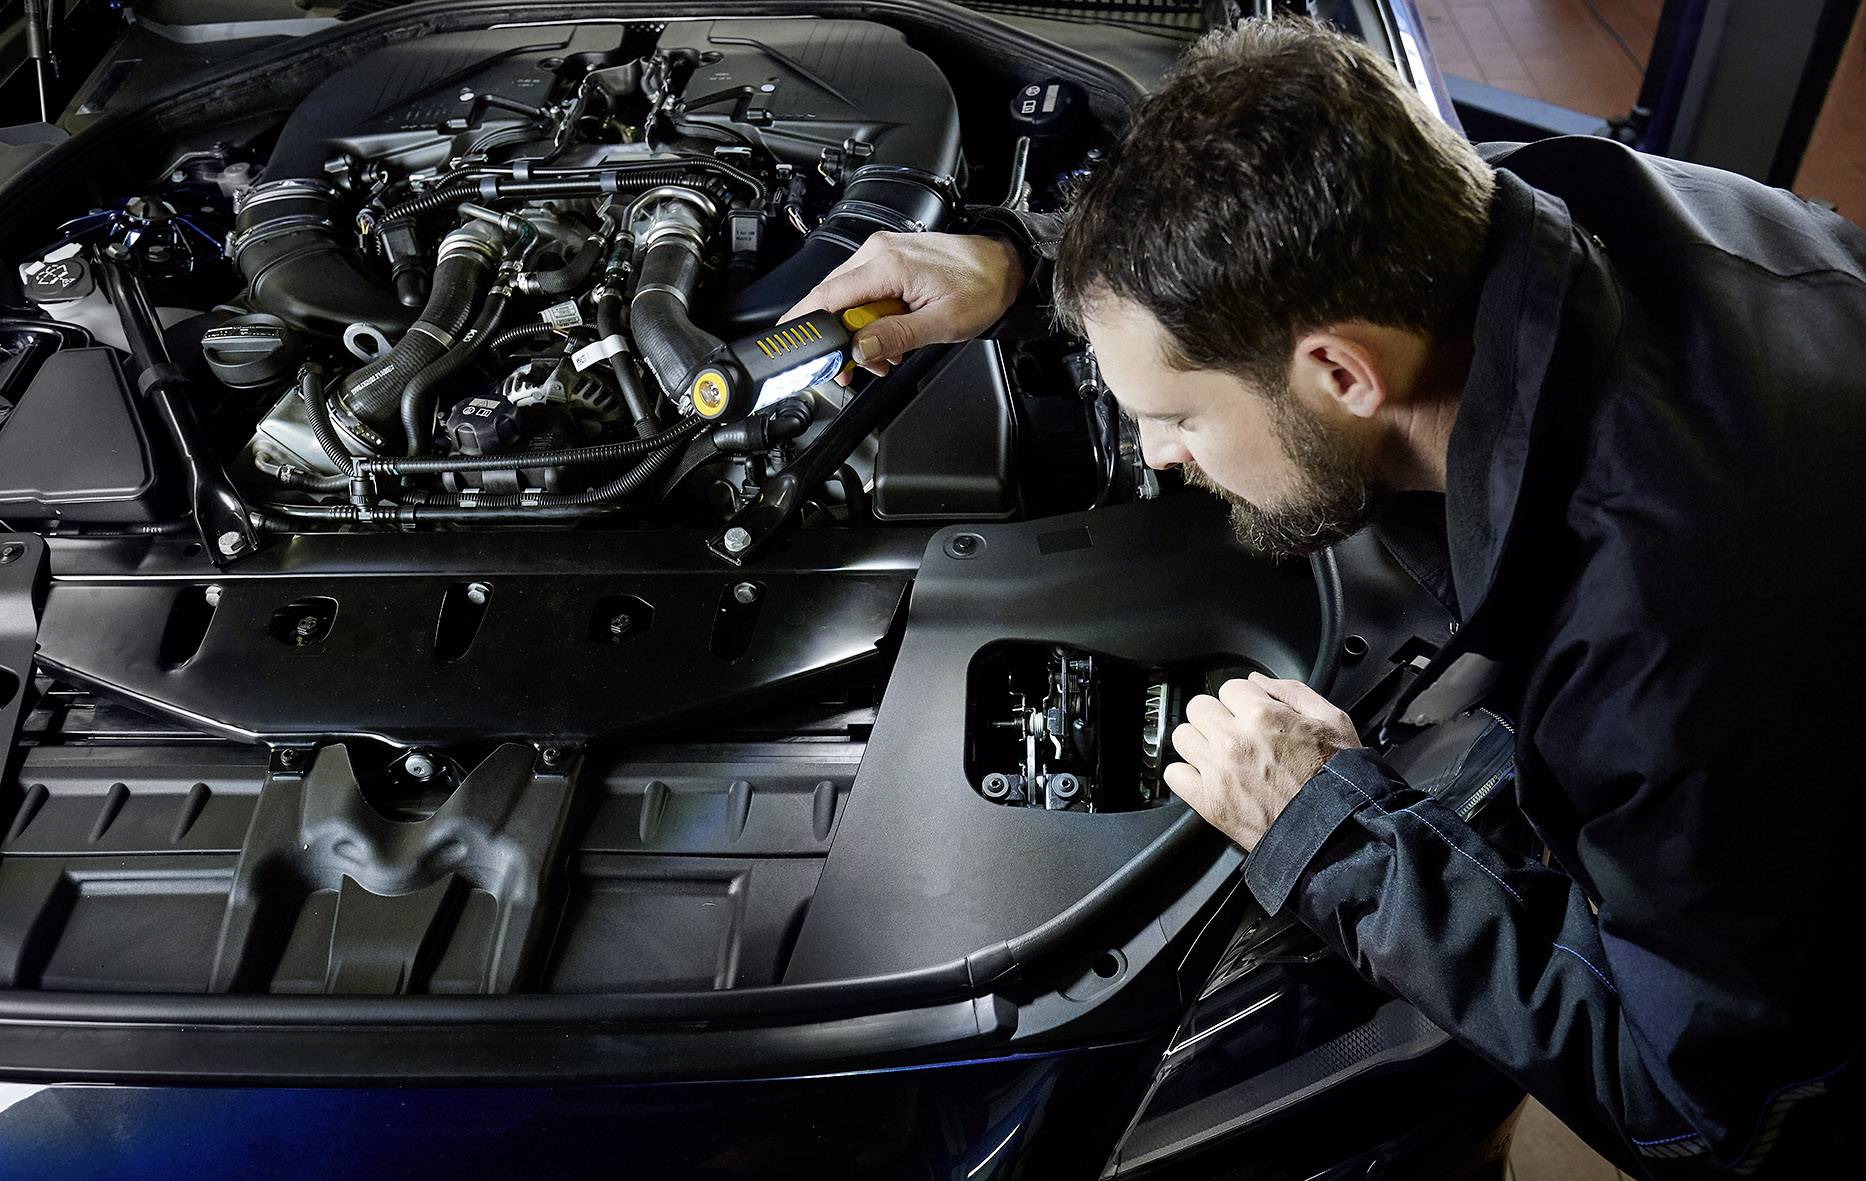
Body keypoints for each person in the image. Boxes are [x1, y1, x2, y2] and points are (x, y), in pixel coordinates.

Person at [780, 18, 1866, 1178]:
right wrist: (1024, 261)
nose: (1156, 459)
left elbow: (1696, 1105)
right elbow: (1279, 234)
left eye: (1180, 417)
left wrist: (1330, 828)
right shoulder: (1557, 211)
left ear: (1344, 374)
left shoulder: (1663, 652)